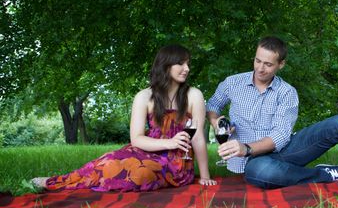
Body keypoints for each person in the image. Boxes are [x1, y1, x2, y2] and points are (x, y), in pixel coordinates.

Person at [31, 44, 216, 191]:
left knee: (137, 174)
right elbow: (136, 139)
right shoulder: (144, 96)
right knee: (109, 161)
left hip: (176, 164)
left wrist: (205, 176)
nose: (187, 69)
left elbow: (198, 136)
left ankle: (82, 182)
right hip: (146, 151)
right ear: (166, 65)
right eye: (181, 64)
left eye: (188, 64)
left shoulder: (194, 95)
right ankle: (57, 182)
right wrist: (169, 142)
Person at [207, 36, 338, 189]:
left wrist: (247, 148)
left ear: (281, 64)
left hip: (283, 153)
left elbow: (279, 136)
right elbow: (213, 104)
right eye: (257, 61)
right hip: (254, 163)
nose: (260, 68)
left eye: (268, 64)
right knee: (259, 172)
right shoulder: (233, 82)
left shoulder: (287, 92)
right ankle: (326, 174)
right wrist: (216, 122)